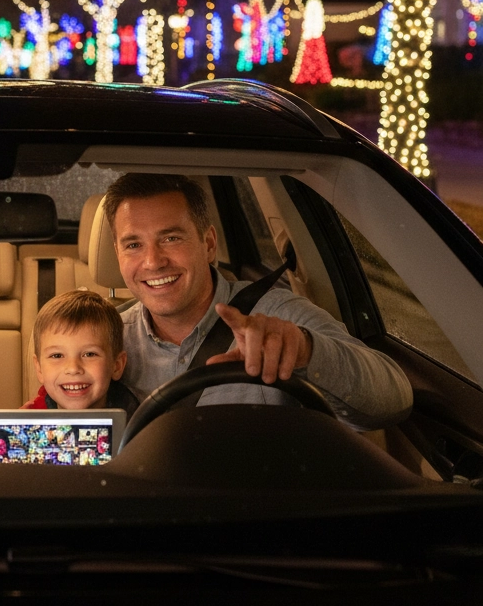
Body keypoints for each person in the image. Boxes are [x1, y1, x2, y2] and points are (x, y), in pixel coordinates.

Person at [103, 173, 413, 426]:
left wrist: (305, 353)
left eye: (171, 238)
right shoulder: (104, 339)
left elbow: (393, 399)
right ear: (117, 254)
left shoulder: (274, 317)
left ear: (208, 244)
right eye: (133, 245)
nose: (153, 262)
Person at [0, 289, 138, 460]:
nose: (73, 368)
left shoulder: (138, 425)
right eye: (57, 356)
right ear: (39, 369)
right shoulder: (23, 425)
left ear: (116, 365)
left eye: (89, 354)